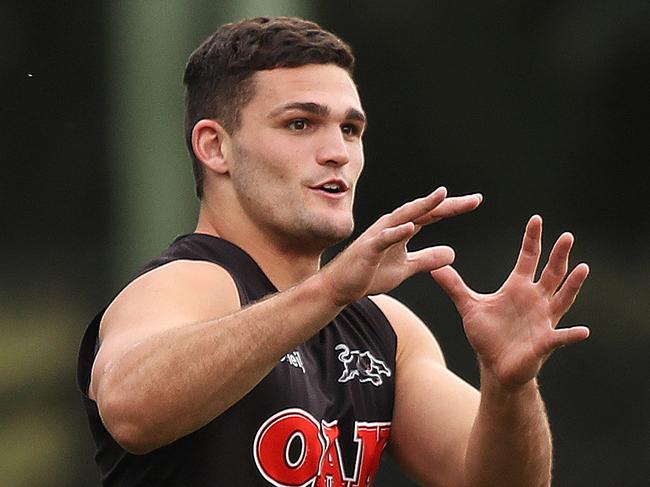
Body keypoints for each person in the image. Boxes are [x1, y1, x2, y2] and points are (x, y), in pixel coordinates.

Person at [77, 16, 590, 487]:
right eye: (300, 123)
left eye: (351, 129)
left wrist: (508, 387)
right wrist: (330, 290)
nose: (337, 152)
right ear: (215, 147)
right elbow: (128, 410)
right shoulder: (189, 282)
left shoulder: (386, 328)